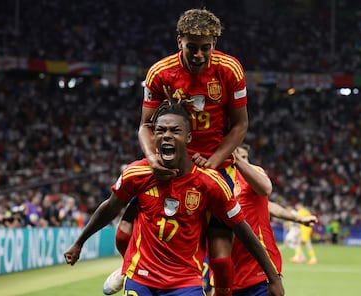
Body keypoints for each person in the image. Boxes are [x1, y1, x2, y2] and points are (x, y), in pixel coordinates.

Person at [64, 101, 284, 296]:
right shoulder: (137, 173)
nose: (166, 135)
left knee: (220, 259)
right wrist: (79, 242)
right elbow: (110, 208)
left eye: (174, 130)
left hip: (185, 282)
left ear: (188, 137)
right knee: (123, 235)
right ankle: (124, 269)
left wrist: (273, 278)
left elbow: (242, 228)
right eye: (160, 130)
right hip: (142, 278)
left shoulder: (210, 183)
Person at [106, 8, 249, 296]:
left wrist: (213, 163)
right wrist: (152, 160)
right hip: (170, 164)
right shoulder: (160, 72)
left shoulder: (230, 69)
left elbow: (240, 125)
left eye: (206, 48)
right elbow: (145, 125)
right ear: (179, 42)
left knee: (221, 260)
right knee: (123, 234)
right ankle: (129, 268)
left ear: (214, 45)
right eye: (192, 47)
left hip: (214, 166)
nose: (199, 55)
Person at [231, 144, 317, 296]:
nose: (244, 161)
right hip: (229, 272)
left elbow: (267, 198)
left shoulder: (255, 173)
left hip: (260, 271)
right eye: (239, 156)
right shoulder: (219, 179)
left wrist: (298, 219)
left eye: (245, 157)